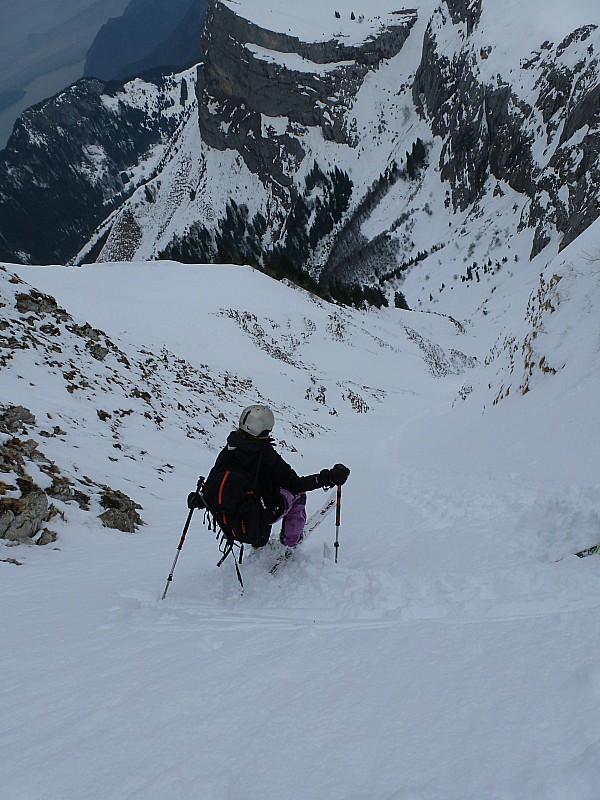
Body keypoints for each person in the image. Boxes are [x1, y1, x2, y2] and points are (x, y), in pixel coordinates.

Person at [201, 404, 350, 549]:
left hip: (230, 521)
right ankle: (291, 542)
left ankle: (259, 543)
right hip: (260, 518)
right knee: (298, 495)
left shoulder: (229, 449)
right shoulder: (265, 455)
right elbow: (295, 484)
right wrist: (327, 478)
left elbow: (211, 484)